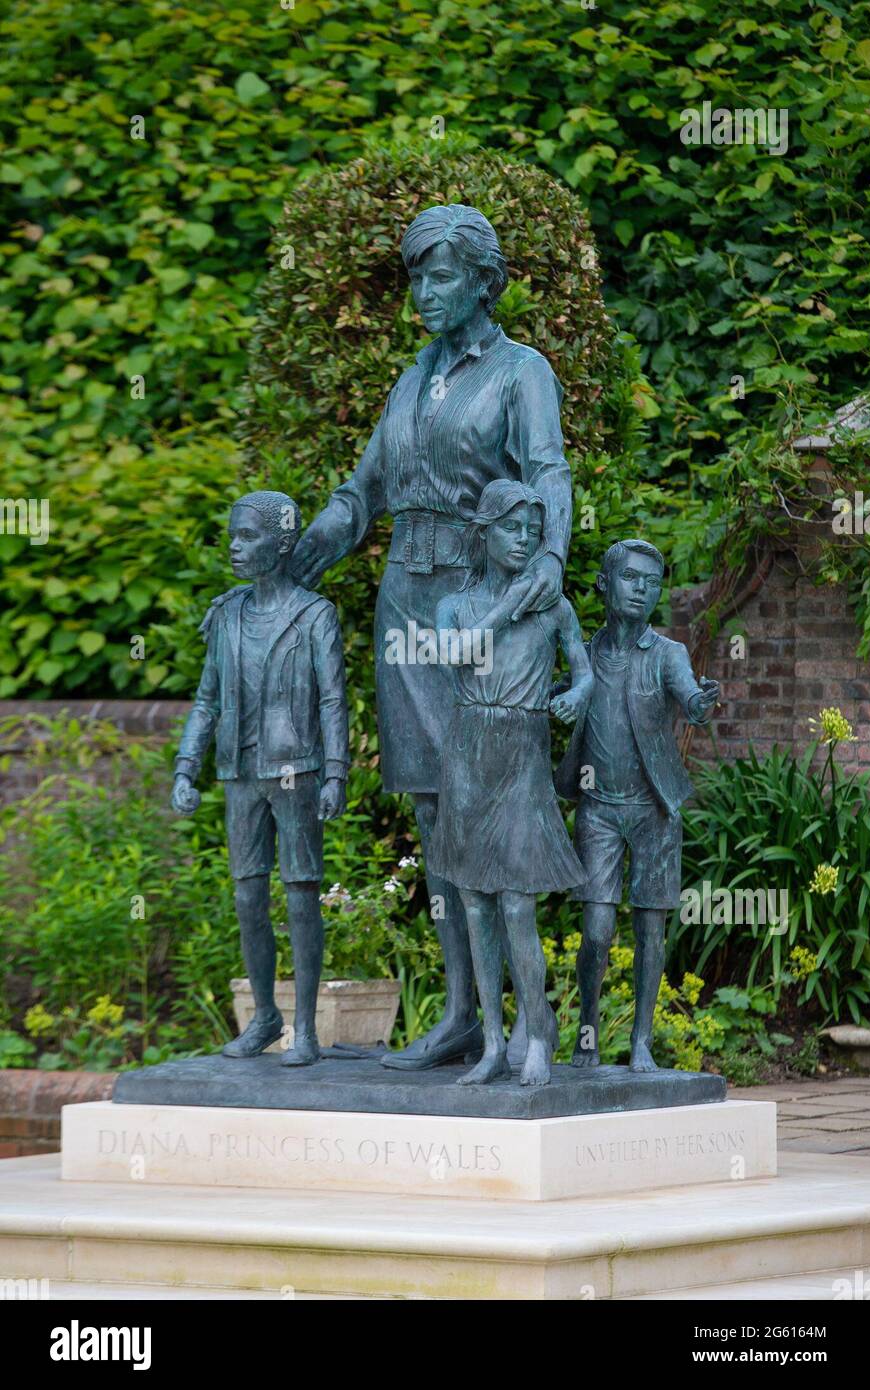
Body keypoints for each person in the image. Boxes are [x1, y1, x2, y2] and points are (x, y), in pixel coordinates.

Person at [290, 204, 574, 1071]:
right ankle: (460, 1015)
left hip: (474, 600)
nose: (422, 292)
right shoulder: (411, 380)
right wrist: (308, 548)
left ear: (483, 281)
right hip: (404, 601)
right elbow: (363, 487)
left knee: (483, 806)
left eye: (439, 275)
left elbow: (548, 469)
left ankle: (523, 1027)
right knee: (429, 807)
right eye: (415, 276)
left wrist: (551, 556)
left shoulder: (522, 372)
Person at [170, 490, 348, 1066]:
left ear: (284, 541)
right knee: (249, 896)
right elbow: (206, 701)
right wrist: (185, 767)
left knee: (300, 894)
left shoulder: (315, 615)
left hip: (296, 769)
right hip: (240, 772)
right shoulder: (226, 615)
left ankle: (305, 1025)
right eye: (232, 538)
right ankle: (265, 1017)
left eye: (248, 538)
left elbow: (333, 701)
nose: (236, 548)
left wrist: (337, 773)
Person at [429, 481, 592, 1087]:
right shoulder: (454, 605)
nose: (524, 540)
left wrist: (575, 694)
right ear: (485, 534)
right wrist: (508, 605)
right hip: (469, 751)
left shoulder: (555, 605)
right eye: (511, 529)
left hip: (521, 749)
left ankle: (537, 1034)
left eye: (532, 529)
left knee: (519, 905)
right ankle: (493, 1045)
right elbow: (455, 657)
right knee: (474, 903)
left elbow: (584, 671)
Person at [554, 539, 719, 1071]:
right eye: (631, 577)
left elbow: (689, 696)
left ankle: (642, 1040)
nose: (641, 589)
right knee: (597, 931)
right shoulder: (585, 652)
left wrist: (699, 703)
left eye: (652, 582)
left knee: (651, 927)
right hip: (598, 807)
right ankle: (587, 1031)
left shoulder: (669, 654)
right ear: (605, 583)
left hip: (654, 809)